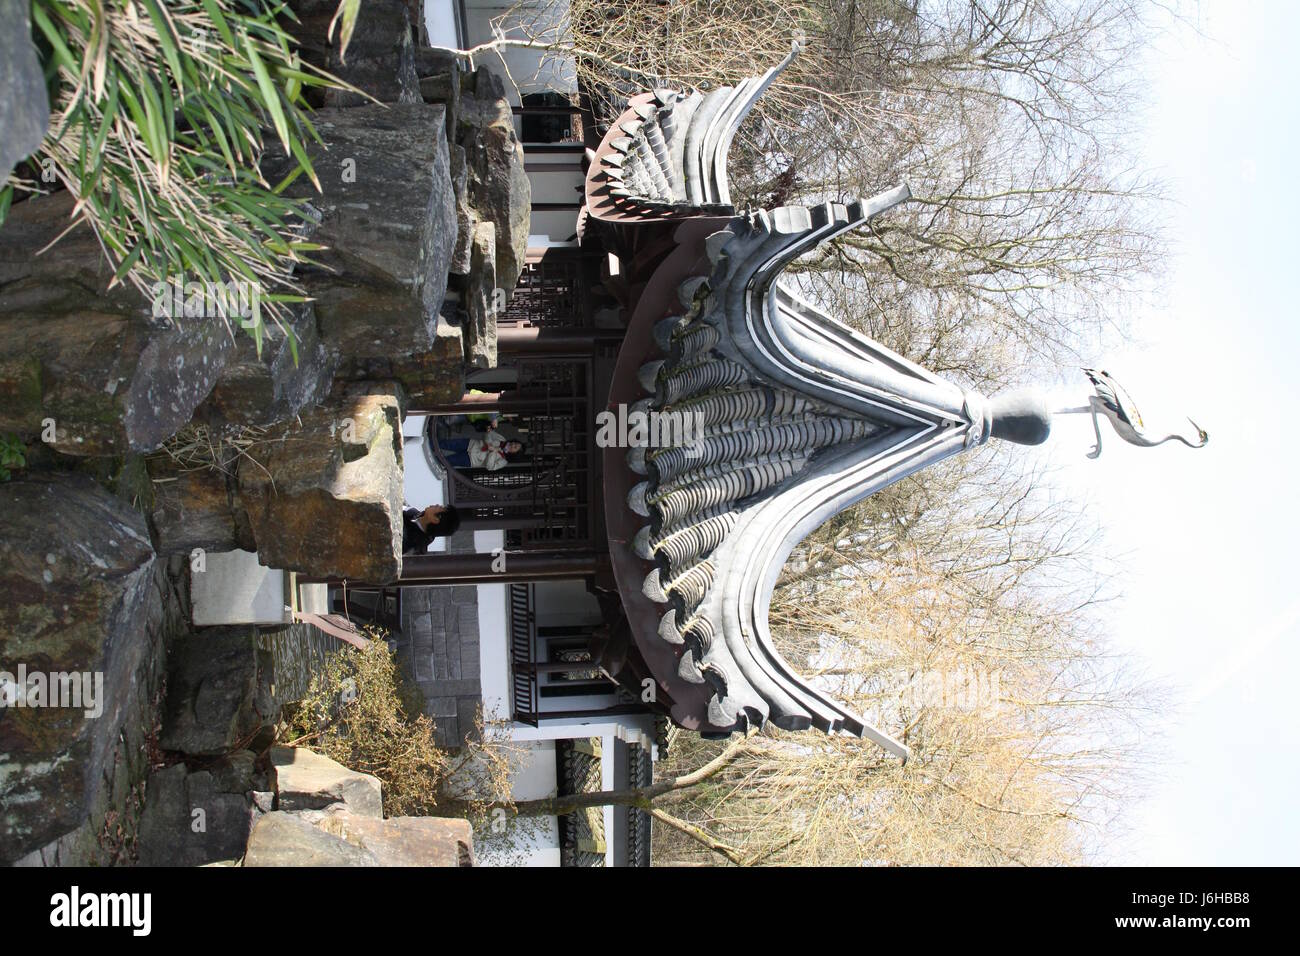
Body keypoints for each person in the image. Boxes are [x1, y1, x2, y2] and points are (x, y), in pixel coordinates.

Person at [438, 428, 525, 472]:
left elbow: (490, 467)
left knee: (447, 461)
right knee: (444, 444)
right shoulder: (502, 439)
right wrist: (489, 444)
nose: (513, 445)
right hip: (471, 444)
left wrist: (493, 451)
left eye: (515, 447)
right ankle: (428, 444)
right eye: (515, 443)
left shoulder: (504, 461)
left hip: (470, 460)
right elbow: (489, 434)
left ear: (515, 454)